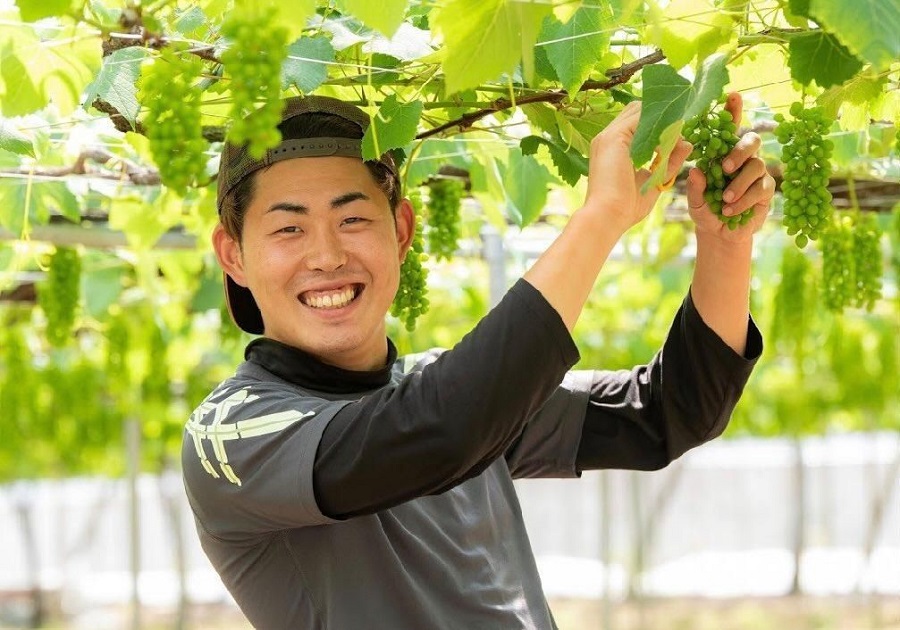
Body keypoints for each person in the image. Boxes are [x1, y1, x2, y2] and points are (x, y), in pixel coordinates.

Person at [182, 92, 773, 629]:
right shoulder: (232, 431)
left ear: (402, 230)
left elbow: (666, 413)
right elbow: (440, 430)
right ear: (232, 254)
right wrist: (601, 216)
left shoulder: (449, 393)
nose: (327, 255)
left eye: (353, 218)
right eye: (288, 228)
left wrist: (725, 243)